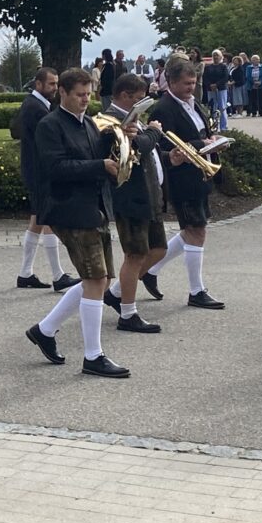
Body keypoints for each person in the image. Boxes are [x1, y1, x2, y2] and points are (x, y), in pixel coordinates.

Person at [22, 68, 131, 378]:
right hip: (68, 208)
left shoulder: (89, 123)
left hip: (93, 207)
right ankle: (93, 356)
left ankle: (45, 330)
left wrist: (122, 142)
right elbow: (56, 168)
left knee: (98, 280)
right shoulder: (50, 125)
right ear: (63, 94)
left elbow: (95, 155)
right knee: (96, 279)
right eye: (80, 95)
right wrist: (100, 165)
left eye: (89, 94)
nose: (86, 100)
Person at [142, 59, 224, 309]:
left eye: (194, 82)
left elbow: (200, 133)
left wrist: (212, 139)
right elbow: (163, 147)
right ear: (172, 82)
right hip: (181, 177)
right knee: (196, 230)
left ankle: (150, 270)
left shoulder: (193, 103)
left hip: (199, 173)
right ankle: (196, 291)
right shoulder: (163, 109)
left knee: (192, 229)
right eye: (187, 83)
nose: (192, 87)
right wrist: (202, 145)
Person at [103, 73, 167, 333]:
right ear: (124, 96)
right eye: (139, 99)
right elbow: (137, 147)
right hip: (130, 197)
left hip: (149, 193)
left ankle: (116, 293)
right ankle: (128, 314)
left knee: (159, 249)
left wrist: (169, 156)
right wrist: (154, 132)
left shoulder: (133, 118)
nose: (142, 104)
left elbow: (147, 151)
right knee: (135, 255)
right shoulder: (110, 120)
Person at [15, 68, 79, 293]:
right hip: (40, 173)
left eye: (56, 83)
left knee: (38, 222)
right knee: (49, 220)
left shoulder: (34, 104)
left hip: (36, 171)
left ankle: (25, 273)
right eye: (51, 84)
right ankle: (58, 275)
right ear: (38, 84)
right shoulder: (36, 108)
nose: (55, 88)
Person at [202, 50, 230, 131]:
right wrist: (210, 85)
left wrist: (216, 84)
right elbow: (205, 78)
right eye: (214, 55)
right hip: (210, 89)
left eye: (217, 55)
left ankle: (223, 127)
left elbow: (225, 77)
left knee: (222, 108)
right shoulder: (208, 67)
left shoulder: (223, 67)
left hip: (221, 89)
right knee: (212, 108)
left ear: (221, 57)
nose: (215, 57)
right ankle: (213, 127)